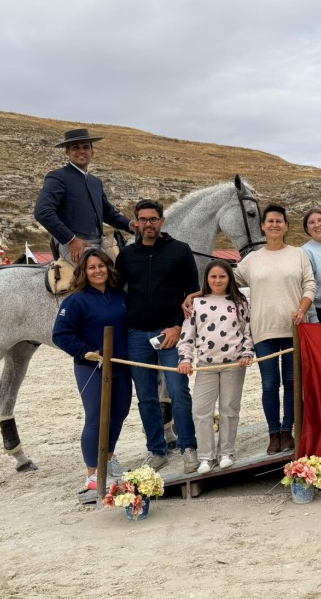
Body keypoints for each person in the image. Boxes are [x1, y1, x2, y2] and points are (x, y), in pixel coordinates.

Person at [114, 199, 200, 474]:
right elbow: (116, 292)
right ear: (136, 222)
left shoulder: (180, 251)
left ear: (162, 221)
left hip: (170, 334)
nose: (148, 224)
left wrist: (177, 327)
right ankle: (157, 449)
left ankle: (188, 446)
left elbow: (193, 294)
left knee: (179, 392)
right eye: (143, 219)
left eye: (153, 219)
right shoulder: (126, 255)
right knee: (146, 396)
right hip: (137, 335)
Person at [232, 205, 316, 454]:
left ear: (286, 226)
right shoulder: (252, 260)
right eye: (270, 221)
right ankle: (273, 433)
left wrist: (302, 308)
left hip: (293, 329)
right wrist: (198, 292)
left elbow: (310, 285)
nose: (274, 225)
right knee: (269, 383)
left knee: (292, 382)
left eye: (279, 221)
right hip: (263, 331)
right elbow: (229, 281)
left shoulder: (298, 254)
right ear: (263, 226)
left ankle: (287, 431)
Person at [52, 249, 131, 496]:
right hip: (92, 367)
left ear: (108, 268)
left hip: (121, 364)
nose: (98, 271)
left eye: (101, 266)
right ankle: (93, 473)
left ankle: (108, 458)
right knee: (97, 417)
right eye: (92, 267)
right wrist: (86, 351)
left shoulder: (120, 296)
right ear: (84, 272)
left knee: (119, 413)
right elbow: (61, 334)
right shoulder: (75, 300)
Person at [177, 259, 254, 472]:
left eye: (222, 276)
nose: (218, 280)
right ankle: (205, 456)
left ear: (229, 278)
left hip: (234, 364)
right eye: (213, 277)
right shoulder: (197, 304)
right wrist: (185, 358)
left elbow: (248, 332)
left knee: (229, 408)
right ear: (207, 279)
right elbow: (187, 335)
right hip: (206, 365)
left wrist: (247, 352)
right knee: (201, 410)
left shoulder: (239, 303)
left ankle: (226, 452)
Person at [34, 128, 135, 265]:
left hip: (100, 240)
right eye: (76, 147)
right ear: (67, 151)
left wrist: (131, 225)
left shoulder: (96, 182)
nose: (81, 151)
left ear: (92, 152)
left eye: (86, 147)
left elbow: (108, 213)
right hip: (71, 243)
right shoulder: (58, 177)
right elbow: (42, 212)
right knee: (96, 270)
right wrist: (71, 239)